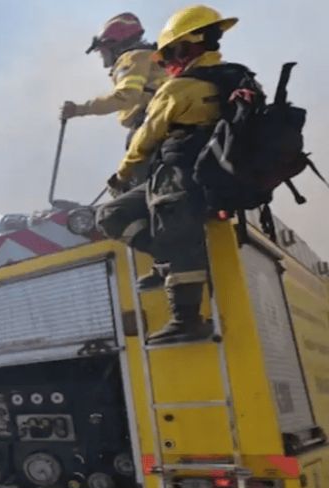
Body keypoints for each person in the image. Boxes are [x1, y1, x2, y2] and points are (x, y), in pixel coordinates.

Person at [96, 5, 241, 344]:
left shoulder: (179, 88)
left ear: (182, 47)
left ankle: (185, 319)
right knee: (175, 232)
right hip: (222, 173)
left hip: (183, 173)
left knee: (121, 217)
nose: (164, 62)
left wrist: (121, 175)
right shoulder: (238, 77)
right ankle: (165, 262)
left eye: (169, 53)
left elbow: (147, 136)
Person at [61, 12, 167, 152]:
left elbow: (126, 96)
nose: (103, 60)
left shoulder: (132, 58)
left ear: (114, 44)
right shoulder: (153, 57)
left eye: (103, 51)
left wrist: (79, 109)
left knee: (134, 169)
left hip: (151, 122)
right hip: (165, 116)